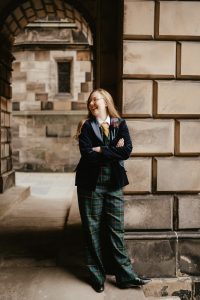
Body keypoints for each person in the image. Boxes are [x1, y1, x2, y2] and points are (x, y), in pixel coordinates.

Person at [74, 88, 150, 292]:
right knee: (92, 231)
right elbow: (87, 155)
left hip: (114, 184)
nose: (91, 103)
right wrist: (113, 150)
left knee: (116, 230)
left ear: (106, 102)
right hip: (90, 185)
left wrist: (102, 149)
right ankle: (96, 277)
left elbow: (127, 151)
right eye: (89, 101)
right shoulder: (86, 125)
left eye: (95, 99)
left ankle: (125, 276)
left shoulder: (119, 124)